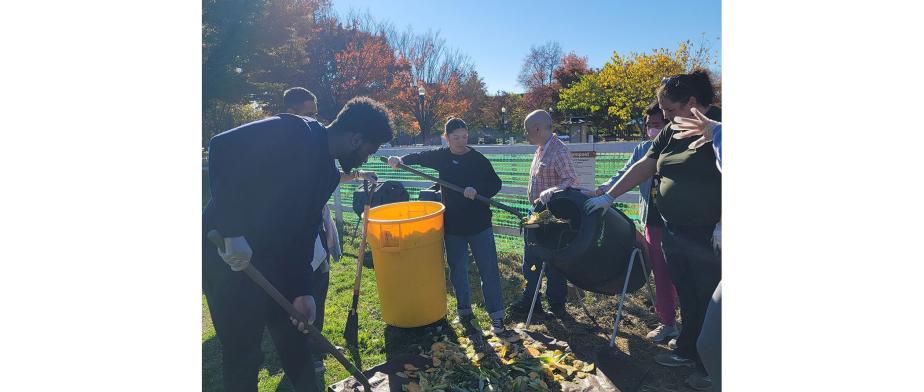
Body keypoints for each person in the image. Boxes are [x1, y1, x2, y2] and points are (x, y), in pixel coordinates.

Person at [202, 96, 393, 392]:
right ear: (356, 138)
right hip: (226, 257)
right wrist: (232, 231)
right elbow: (223, 146)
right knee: (244, 352)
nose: (366, 159)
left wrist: (303, 290)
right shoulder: (293, 131)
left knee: (295, 339)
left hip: (274, 258)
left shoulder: (328, 174)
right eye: (370, 150)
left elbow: (304, 231)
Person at [584, 69, 721, 391]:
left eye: (670, 109)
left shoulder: (719, 127)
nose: (665, 116)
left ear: (691, 102)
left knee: (709, 297)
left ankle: (712, 364)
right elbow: (646, 163)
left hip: (708, 232)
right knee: (686, 290)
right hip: (674, 228)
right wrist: (609, 195)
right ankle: (688, 348)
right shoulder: (672, 130)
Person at [387, 118, 506, 333]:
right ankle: (464, 312)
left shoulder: (478, 160)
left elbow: (495, 183)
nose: (461, 141)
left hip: (479, 224)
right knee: (457, 269)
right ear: (447, 138)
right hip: (453, 225)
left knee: (488, 270)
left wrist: (477, 189)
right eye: (456, 137)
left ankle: (496, 316)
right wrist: (400, 159)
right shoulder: (441, 156)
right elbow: (420, 157)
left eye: (464, 137)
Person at [590, 102, 679, 343]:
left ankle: (693, 326)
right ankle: (668, 322)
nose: (652, 130)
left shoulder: (679, 147)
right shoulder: (643, 150)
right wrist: (606, 188)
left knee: (682, 273)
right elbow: (627, 172)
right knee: (660, 272)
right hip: (653, 219)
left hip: (680, 221)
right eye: (649, 125)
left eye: (657, 125)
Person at [507, 109, 579, 322]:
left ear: (537, 129)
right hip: (536, 213)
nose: (525, 134)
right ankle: (531, 299)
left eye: (527, 130)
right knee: (531, 256)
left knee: (552, 259)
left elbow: (571, 181)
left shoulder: (559, 151)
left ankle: (557, 304)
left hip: (553, 216)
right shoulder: (540, 149)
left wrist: (553, 191)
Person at [672, 108, 723, 391]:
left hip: (704, 236)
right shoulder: (716, 133)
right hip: (683, 232)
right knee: (708, 336)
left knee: (712, 337)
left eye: (670, 109)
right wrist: (715, 131)